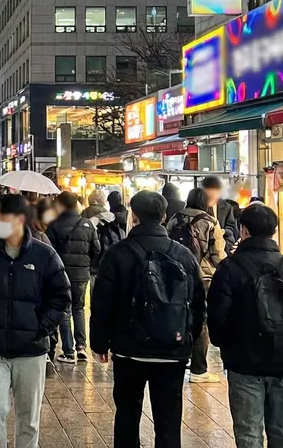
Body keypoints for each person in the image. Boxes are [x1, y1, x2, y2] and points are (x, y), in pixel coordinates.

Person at [90, 190, 205, 448]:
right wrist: (188, 339)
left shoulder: (117, 254)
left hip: (129, 350)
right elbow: (198, 304)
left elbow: (103, 302)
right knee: (168, 422)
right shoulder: (184, 255)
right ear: (164, 217)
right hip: (172, 352)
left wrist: (100, 343)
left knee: (127, 415)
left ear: (134, 215)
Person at [0, 193, 69, 448]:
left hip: (32, 350)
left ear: (19, 219)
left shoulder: (44, 255)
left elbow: (61, 296)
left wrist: (42, 327)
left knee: (28, 417)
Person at [208, 205, 283, 448]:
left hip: (244, 362)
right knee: (282, 431)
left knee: (248, 432)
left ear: (244, 230)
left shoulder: (229, 268)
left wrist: (227, 345)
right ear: (274, 231)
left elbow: (217, 318)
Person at [166, 187, 226, 383]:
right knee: (201, 320)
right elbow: (217, 255)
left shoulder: (175, 218)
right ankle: (199, 369)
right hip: (203, 277)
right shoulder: (210, 222)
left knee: (178, 316)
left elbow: (167, 246)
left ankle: (176, 359)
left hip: (177, 276)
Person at [46, 191, 99, 364]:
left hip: (62, 274)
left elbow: (50, 252)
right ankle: (81, 347)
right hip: (82, 274)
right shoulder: (87, 224)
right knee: (79, 309)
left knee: (65, 311)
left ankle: (68, 352)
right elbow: (96, 249)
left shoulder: (54, 225)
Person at [200, 175, 239, 254]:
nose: (211, 193)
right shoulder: (199, 206)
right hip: (202, 247)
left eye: (214, 190)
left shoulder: (227, 207)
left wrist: (222, 232)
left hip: (222, 247)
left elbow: (231, 227)